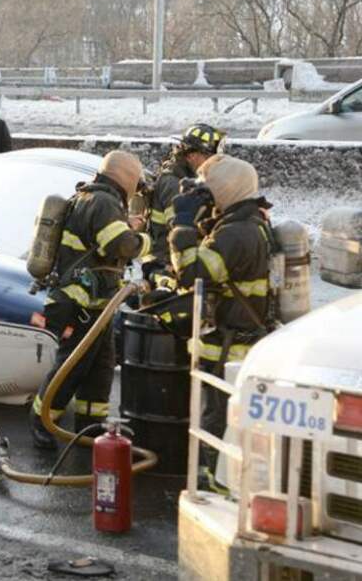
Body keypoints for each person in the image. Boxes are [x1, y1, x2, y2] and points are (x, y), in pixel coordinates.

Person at [30, 151, 152, 449]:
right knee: (72, 365)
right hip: (80, 303)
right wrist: (143, 238)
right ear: (126, 176)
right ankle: (41, 422)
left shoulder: (93, 198)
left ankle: (89, 427)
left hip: (96, 303)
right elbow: (121, 244)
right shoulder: (104, 202)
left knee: (100, 368)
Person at [167, 154, 271, 490]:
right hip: (237, 344)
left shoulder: (237, 232)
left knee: (217, 421)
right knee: (224, 419)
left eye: (208, 190)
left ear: (225, 190)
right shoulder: (246, 222)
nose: (204, 197)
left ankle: (216, 488)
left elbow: (192, 273)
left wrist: (181, 226)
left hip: (227, 350)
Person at [145, 124, 225, 282]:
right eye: (209, 156)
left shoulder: (191, 177)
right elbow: (178, 229)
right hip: (167, 264)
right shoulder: (174, 183)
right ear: (191, 156)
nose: (214, 162)